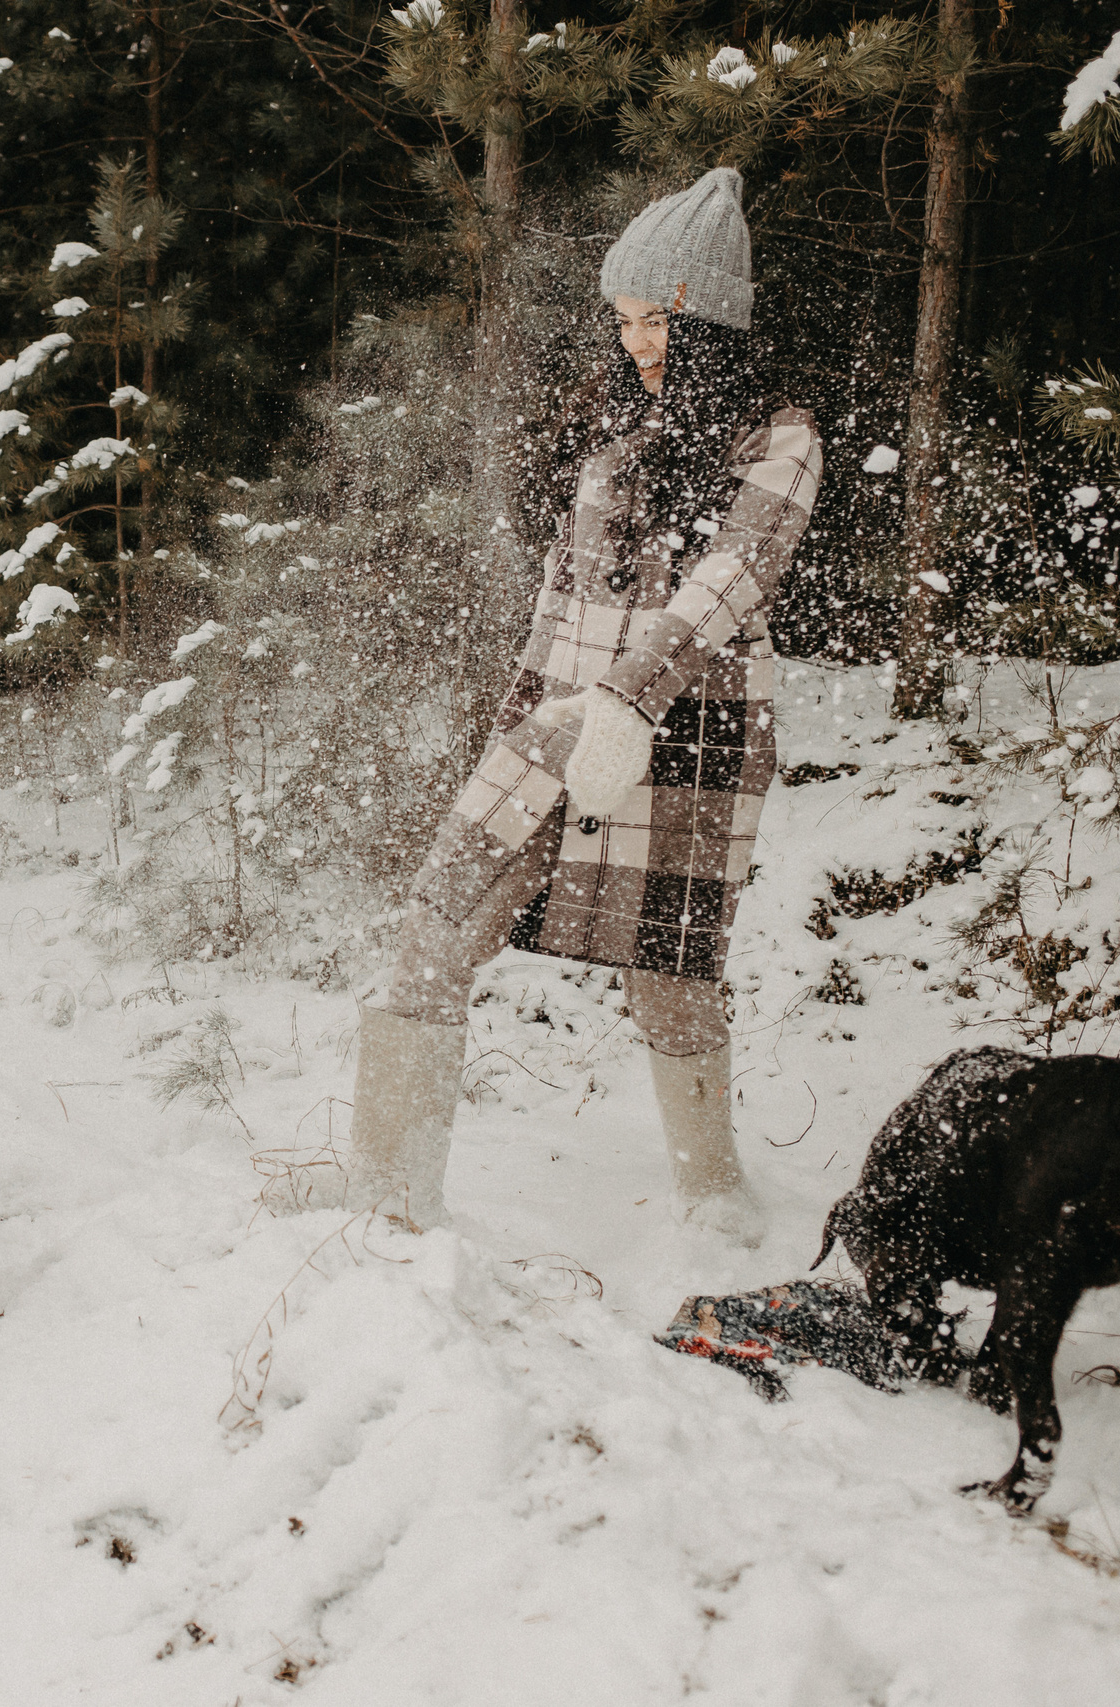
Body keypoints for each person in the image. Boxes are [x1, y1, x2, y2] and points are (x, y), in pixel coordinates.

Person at [340, 166, 822, 1247]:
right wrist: (532, 712)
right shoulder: (611, 423)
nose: (636, 342)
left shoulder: (778, 438)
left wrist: (630, 699)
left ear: (710, 327)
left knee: (672, 974)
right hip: (555, 727)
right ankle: (384, 1197)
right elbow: (560, 597)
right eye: (623, 320)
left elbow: (733, 578)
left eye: (657, 320)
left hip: (689, 733)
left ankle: (710, 1197)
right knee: (432, 929)